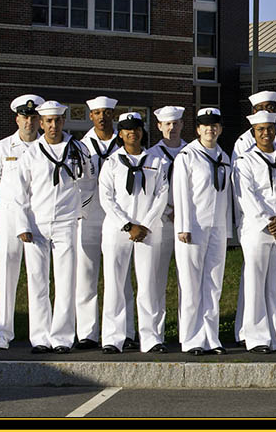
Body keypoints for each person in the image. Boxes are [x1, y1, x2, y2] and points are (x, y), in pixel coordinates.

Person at [15, 100, 97, 353]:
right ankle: (40, 338)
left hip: (65, 223)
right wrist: (22, 224)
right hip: (37, 224)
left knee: (65, 281)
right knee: (38, 281)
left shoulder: (78, 148)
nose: (53, 125)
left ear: (63, 121)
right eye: (48, 121)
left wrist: (78, 211)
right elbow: (20, 193)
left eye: (57, 120)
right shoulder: (30, 154)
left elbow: (89, 181)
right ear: (41, 123)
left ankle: (62, 338)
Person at [231, 90, 276, 349]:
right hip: (257, 228)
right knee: (255, 281)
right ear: (254, 130)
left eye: (269, 128)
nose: (266, 134)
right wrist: (267, 221)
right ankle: (256, 336)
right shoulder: (244, 161)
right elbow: (245, 195)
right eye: (260, 129)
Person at [98, 112, 169, 354]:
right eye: (127, 129)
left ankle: (151, 338)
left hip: (148, 231)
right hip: (118, 230)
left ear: (142, 132)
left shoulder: (156, 162)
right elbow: (106, 198)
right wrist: (128, 225)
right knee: (115, 284)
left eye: (136, 128)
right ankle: (113, 337)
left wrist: (146, 224)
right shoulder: (112, 163)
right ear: (120, 133)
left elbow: (162, 195)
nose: (132, 133)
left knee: (148, 284)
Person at [0, 94, 44, 350]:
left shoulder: (46, 149)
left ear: (40, 120)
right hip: (8, 219)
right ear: (17, 118)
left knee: (38, 277)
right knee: (6, 276)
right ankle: (2, 335)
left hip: (38, 218)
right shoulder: (2, 147)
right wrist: (11, 211)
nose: (29, 121)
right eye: (24, 116)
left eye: (33, 117)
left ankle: (39, 336)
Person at [75, 96, 137, 351]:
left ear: (114, 115)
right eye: (98, 113)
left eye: (107, 113)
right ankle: (87, 333)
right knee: (86, 274)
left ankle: (126, 332)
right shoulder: (79, 146)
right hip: (90, 214)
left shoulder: (123, 144)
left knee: (121, 276)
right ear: (91, 116)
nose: (102, 117)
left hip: (119, 216)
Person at [172, 107, 232, 355]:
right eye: (205, 125)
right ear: (197, 129)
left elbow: (226, 196)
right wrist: (184, 226)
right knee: (191, 284)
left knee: (213, 284)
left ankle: (211, 337)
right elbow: (181, 193)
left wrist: (227, 229)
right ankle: (192, 339)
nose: (211, 129)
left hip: (217, 226)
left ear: (220, 129)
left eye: (215, 125)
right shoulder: (187, 156)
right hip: (193, 228)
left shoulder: (224, 157)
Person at [146, 106, 187, 341]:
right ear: (159, 126)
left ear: (182, 125)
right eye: (167, 124)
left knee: (187, 280)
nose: (172, 128)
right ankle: (154, 335)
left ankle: (187, 333)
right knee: (156, 279)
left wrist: (181, 212)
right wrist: (167, 210)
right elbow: (149, 192)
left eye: (176, 123)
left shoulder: (192, 152)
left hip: (186, 223)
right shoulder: (151, 155)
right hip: (160, 222)